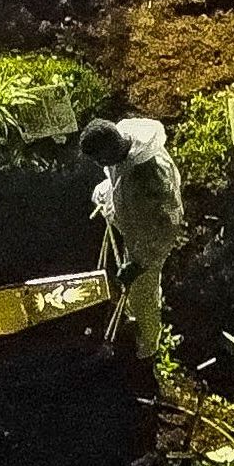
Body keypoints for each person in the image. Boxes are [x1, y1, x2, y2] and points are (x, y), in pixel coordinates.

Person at [81, 116, 183, 359]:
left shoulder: (153, 176)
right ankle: (131, 320)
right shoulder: (122, 152)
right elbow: (119, 184)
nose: (98, 164)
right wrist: (106, 194)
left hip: (148, 241)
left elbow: (167, 225)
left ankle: (147, 348)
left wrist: (139, 263)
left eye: (98, 159)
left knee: (142, 295)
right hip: (132, 220)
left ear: (110, 150)